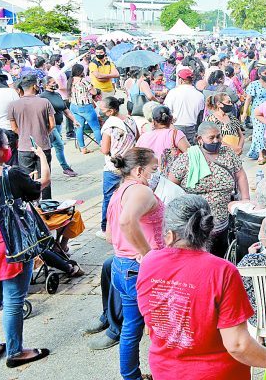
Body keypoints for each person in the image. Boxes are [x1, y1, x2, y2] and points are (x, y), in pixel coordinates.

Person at [136, 195, 266, 380]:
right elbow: (238, 345)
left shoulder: (148, 263)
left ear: (169, 234)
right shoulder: (223, 271)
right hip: (218, 374)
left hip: (166, 372)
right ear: (209, 230)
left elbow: (151, 320)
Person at [0, 126, 51, 368]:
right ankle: (15, 352)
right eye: (6, 145)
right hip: (10, 246)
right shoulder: (11, 174)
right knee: (14, 300)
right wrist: (42, 158)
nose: (10, 148)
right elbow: (42, 184)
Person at [105, 147, 165, 380]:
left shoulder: (119, 192)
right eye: (154, 169)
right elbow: (126, 221)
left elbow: (110, 236)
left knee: (131, 327)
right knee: (159, 325)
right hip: (140, 268)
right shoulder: (141, 190)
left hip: (121, 265)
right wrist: (147, 253)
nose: (156, 173)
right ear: (139, 170)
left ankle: (131, 376)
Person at [168, 121, 250, 257]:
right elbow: (171, 185)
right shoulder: (188, 158)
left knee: (220, 256)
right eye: (211, 138)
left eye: (218, 136)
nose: (216, 141)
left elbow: (240, 175)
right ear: (200, 139)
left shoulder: (228, 154)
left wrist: (245, 199)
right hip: (195, 224)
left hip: (222, 221)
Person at [97, 96, 139, 238]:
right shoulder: (130, 120)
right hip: (130, 164)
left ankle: (106, 228)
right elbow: (137, 139)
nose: (100, 112)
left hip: (113, 167)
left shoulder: (109, 126)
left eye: (102, 110)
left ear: (111, 111)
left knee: (109, 198)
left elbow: (104, 150)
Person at [8, 75, 55, 199]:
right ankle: (46, 204)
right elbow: (52, 125)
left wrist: (24, 134)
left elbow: (14, 128)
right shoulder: (45, 102)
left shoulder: (13, 105)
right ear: (34, 86)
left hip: (24, 147)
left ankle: (30, 205)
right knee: (45, 177)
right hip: (43, 145)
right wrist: (43, 133)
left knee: (26, 179)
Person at [40, 76, 79, 177]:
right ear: (46, 85)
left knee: (54, 146)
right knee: (59, 145)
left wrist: (74, 120)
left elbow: (65, 110)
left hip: (58, 125)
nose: (55, 84)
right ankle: (65, 168)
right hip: (50, 126)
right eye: (53, 82)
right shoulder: (42, 97)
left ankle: (44, 169)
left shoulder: (57, 94)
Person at [135, 105, 189, 170]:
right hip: (169, 175)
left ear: (153, 121)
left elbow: (135, 157)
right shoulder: (176, 134)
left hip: (148, 174)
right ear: (171, 119)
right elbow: (191, 155)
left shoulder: (143, 137)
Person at [163, 68, 204, 145]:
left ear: (181, 80)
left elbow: (166, 110)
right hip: (192, 128)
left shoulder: (173, 92)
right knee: (191, 150)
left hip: (176, 127)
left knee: (175, 149)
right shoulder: (200, 95)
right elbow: (200, 114)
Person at [68, 63, 103, 154]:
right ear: (80, 71)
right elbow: (94, 92)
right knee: (96, 128)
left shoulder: (70, 81)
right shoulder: (84, 81)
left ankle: (83, 148)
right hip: (86, 107)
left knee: (79, 128)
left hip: (74, 107)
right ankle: (102, 145)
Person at [244, 65, 266, 163]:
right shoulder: (254, 84)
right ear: (259, 74)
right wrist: (244, 113)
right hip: (257, 113)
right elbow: (248, 99)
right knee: (259, 132)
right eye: (265, 73)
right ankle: (260, 154)